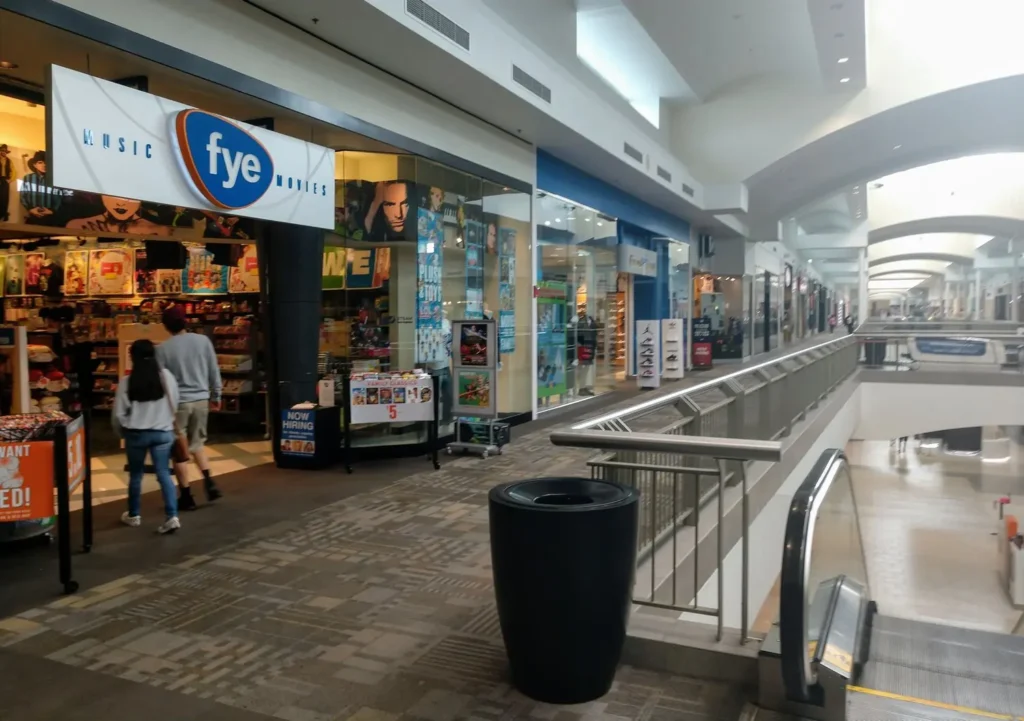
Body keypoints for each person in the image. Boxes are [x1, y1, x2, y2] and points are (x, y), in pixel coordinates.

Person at [156, 306, 223, 509]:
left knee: (180, 450)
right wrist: (216, 395)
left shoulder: (162, 350)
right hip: (202, 400)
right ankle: (209, 481)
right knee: (198, 443)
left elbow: (162, 382)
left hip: (178, 405)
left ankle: (186, 496)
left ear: (166, 326)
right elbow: (213, 368)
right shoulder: (203, 341)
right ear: (185, 322)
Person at [112, 339, 180, 534]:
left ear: (132, 357)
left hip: (136, 434)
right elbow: (175, 404)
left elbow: (118, 414)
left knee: (136, 475)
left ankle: (134, 515)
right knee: (163, 474)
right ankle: (172, 516)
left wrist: (122, 431)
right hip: (163, 433)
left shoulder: (128, 382)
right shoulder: (167, 378)